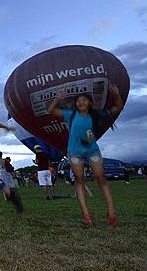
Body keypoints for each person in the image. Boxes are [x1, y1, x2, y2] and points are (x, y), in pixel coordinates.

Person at [47, 83, 123, 227]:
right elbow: (51, 111)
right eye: (78, 101)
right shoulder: (71, 114)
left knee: (101, 179)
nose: (81, 102)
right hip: (75, 153)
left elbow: (117, 108)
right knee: (80, 180)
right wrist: (58, 98)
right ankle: (86, 214)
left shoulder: (95, 115)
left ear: (90, 103)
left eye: (84, 100)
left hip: (92, 151)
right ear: (76, 104)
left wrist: (116, 94)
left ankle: (111, 212)